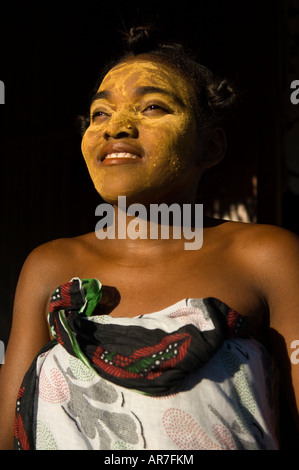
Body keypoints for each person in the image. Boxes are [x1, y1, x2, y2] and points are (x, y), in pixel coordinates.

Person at [0, 26, 298, 450]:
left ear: (209, 147)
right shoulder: (50, 265)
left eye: (153, 107)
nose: (115, 127)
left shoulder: (268, 257)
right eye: (99, 114)